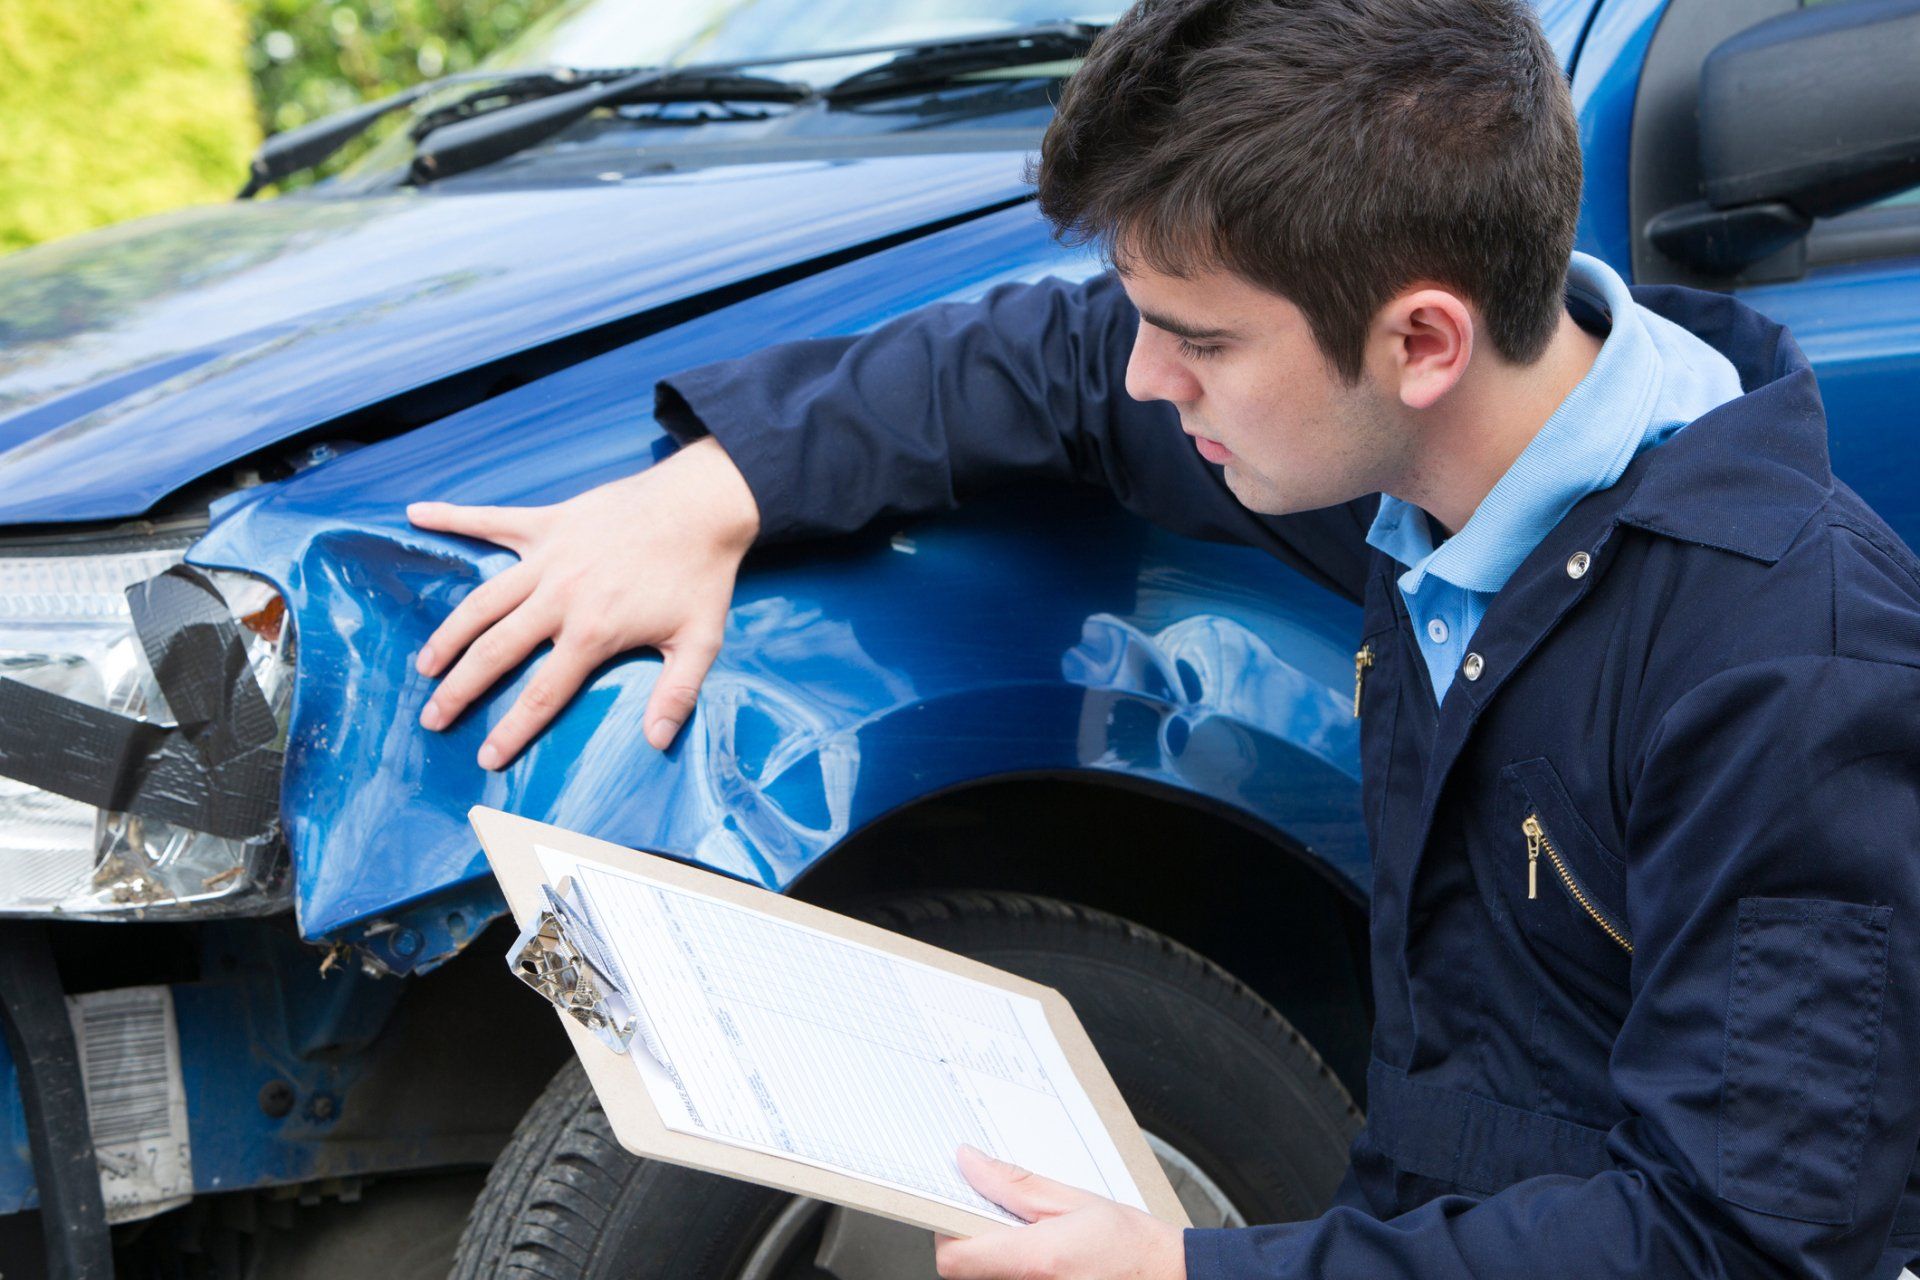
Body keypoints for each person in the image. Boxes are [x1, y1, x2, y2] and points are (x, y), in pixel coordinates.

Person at [406, 0, 1920, 1275]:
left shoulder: (1784, 661)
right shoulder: (1427, 456)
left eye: (1197, 341)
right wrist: (717, 488)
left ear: (1422, 341)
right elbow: (1054, 361)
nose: (1146, 379)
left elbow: (1744, 1240)